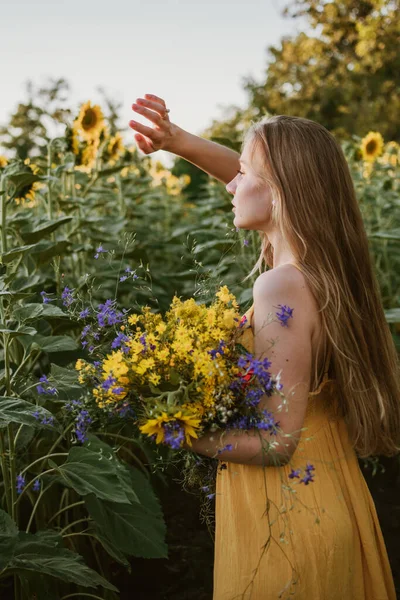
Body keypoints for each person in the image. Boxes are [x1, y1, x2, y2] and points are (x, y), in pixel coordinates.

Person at [129, 95, 399, 599]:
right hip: (326, 495)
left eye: (244, 171)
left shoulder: (281, 286)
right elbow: (256, 179)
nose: (230, 182)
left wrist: (178, 428)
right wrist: (179, 142)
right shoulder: (323, 271)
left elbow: (276, 444)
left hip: (287, 522)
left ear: (279, 192)